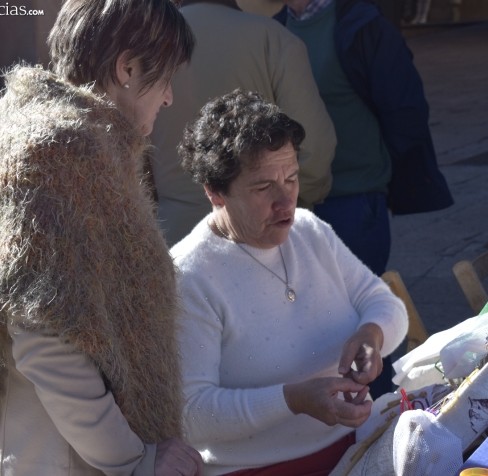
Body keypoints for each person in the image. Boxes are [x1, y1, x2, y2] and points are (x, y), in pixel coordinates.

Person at [0, 1, 202, 475]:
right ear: (127, 68)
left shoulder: (51, 133)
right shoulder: (62, 148)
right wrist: (135, 459)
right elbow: (44, 335)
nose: (169, 97)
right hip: (64, 458)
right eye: (165, 77)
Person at [171, 90, 408, 475]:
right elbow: (191, 413)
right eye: (263, 188)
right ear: (214, 192)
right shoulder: (189, 276)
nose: (286, 202)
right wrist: (293, 400)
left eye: (292, 179)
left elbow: (385, 303)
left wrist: (371, 336)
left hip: (352, 449)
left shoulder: (309, 231)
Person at [273, 0, 454, 396]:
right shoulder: (275, 29)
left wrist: (376, 165)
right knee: (318, 329)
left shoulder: (361, 25)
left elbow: (406, 109)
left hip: (354, 202)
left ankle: (386, 417)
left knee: (360, 322)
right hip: (297, 206)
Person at [149, 0, 336, 246]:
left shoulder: (146, 46)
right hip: (266, 238)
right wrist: (287, 204)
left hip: (174, 235)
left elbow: (132, 157)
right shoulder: (273, 38)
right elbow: (316, 149)